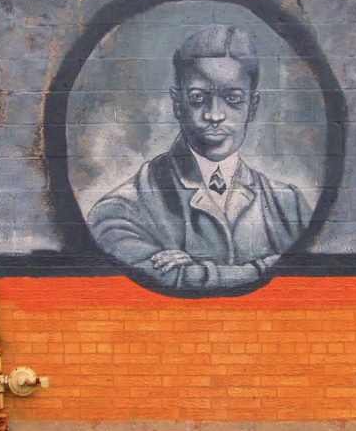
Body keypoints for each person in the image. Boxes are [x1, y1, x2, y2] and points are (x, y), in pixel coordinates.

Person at [86, 24, 310, 290]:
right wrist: (266, 266)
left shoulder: (289, 205)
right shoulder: (122, 210)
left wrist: (197, 271)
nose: (214, 115)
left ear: (253, 106)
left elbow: (312, 277)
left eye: (233, 98)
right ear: (177, 103)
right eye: (198, 98)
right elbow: (167, 283)